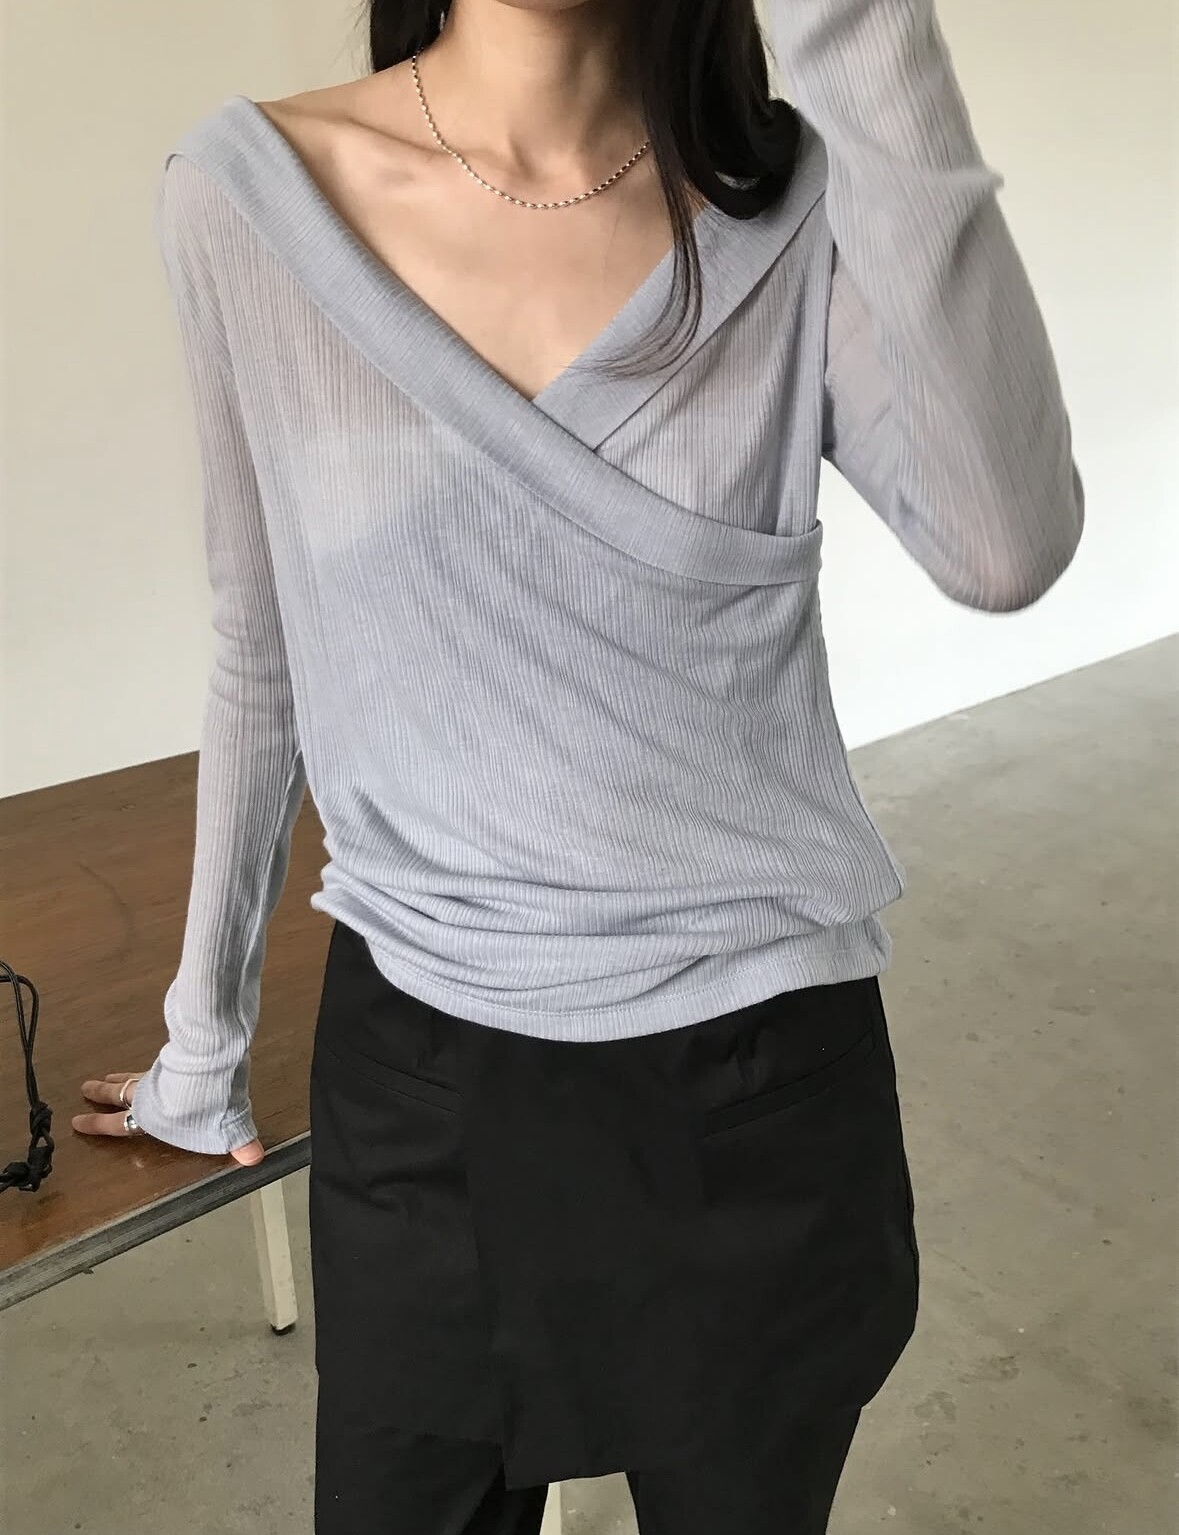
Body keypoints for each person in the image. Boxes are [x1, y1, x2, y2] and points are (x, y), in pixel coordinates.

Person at [74, 0, 1083, 1530]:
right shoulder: (246, 199)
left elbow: (1005, 544)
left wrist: (856, 26)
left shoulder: (791, 204)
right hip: (430, 1095)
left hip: (758, 1088)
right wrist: (202, 1046)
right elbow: (258, 637)